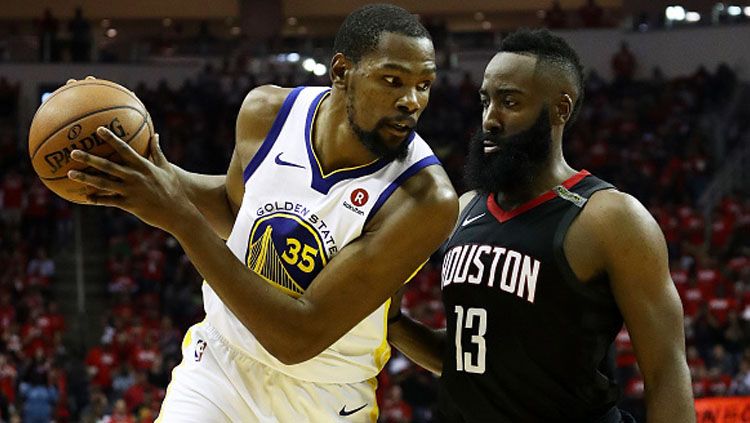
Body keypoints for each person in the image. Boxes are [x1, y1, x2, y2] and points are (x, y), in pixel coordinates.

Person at [66, 3, 458, 422]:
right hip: (219, 365)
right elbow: (236, 210)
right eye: (393, 80)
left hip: (323, 396)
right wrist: (154, 172)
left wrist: (178, 217)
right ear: (342, 71)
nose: (411, 101)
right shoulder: (267, 113)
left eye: (424, 85)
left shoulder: (425, 200)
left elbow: (296, 337)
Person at [387, 29, 695, 422]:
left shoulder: (609, 218)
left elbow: (666, 372)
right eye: (486, 101)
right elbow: (471, 360)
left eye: (510, 102)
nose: (490, 119)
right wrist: (395, 326)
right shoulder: (465, 209)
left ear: (559, 109)